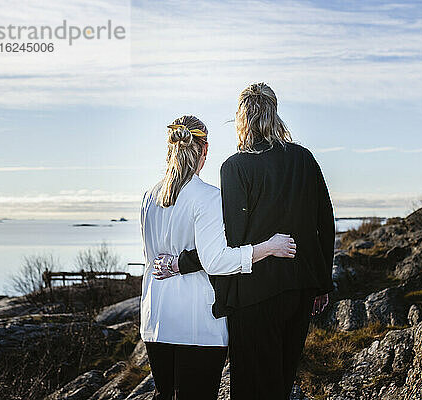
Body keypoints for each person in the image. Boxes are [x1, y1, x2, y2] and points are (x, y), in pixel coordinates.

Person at [158, 83, 335, 399]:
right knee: (281, 379)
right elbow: (325, 221)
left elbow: (229, 239)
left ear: (241, 118)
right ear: (274, 113)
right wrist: (321, 283)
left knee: (252, 387)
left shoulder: (235, 167)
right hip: (300, 290)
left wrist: (181, 264)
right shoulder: (304, 158)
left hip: (255, 296)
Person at [139, 115, 297, 400]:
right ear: (205, 150)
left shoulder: (149, 196)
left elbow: (150, 257)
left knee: (165, 395)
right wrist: (269, 247)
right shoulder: (207, 197)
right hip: (196, 323)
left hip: (156, 319)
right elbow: (216, 261)